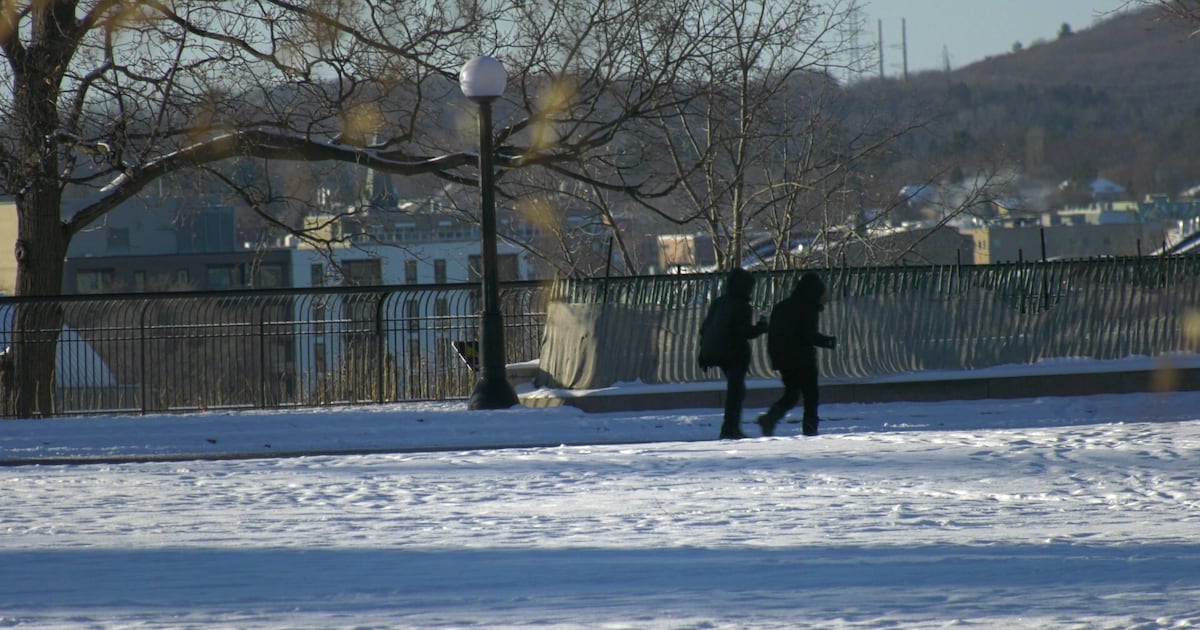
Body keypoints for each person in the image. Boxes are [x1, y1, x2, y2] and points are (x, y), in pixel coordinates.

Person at [757, 272, 837, 437]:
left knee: (792, 393)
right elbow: (808, 335)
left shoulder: (782, 306)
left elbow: (774, 335)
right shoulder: (808, 308)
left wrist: (776, 359)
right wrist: (827, 341)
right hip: (802, 359)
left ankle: (771, 418)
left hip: (783, 360)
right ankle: (809, 429)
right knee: (810, 396)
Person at [698, 267, 768, 439]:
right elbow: (744, 332)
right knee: (735, 393)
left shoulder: (719, 302)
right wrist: (761, 327)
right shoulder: (742, 306)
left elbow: (704, 328)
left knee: (736, 390)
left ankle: (730, 427)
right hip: (734, 355)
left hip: (717, 352)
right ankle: (730, 428)